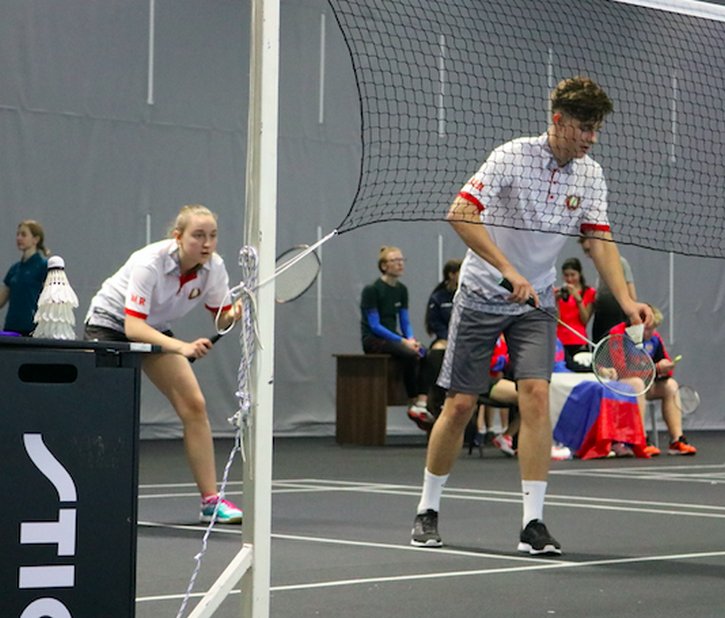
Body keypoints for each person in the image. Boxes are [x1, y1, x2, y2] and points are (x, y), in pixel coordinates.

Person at [410, 76, 653, 555]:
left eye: (596, 129)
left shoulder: (590, 175)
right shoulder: (511, 157)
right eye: (584, 127)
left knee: (536, 397)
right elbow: (460, 213)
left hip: (535, 302)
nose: (591, 138)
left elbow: (599, 239)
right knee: (460, 405)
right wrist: (507, 271)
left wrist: (627, 302)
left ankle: (533, 524)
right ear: (558, 120)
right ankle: (427, 509)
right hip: (482, 293)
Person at [84, 204, 243, 524]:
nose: (207, 243)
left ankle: (211, 502)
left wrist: (235, 312)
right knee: (105, 413)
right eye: (198, 235)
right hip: (108, 325)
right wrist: (182, 347)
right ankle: (90, 497)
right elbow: (133, 328)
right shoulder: (150, 263)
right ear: (178, 237)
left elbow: (221, 318)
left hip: (154, 328)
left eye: (213, 236)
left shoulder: (214, 267)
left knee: (194, 405)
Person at [609, 306, 697, 456]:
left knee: (670, 386)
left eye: (653, 328)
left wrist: (666, 367)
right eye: (647, 329)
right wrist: (655, 368)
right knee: (637, 383)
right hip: (618, 386)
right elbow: (622, 371)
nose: (651, 333)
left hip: (646, 384)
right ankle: (641, 440)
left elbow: (667, 368)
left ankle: (677, 440)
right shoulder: (618, 334)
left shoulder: (654, 338)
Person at [360, 246, 431, 430]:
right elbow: (375, 325)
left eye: (401, 260)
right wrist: (403, 342)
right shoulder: (372, 290)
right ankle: (412, 400)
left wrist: (411, 339)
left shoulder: (402, 290)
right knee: (409, 354)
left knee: (425, 353)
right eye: (395, 260)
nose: (400, 264)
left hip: (394, 338)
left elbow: (404, 320)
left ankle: (422, 403)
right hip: (374, 340)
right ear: (384, 266)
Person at [422, 259, 462, 418]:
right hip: (445, 337)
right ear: (452, 275)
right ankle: (435, 396)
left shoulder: (465, 294)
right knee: (437, 353)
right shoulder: (438, 297)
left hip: (464, 337)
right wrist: (448, 337)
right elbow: (434, 322)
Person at [579, 236, 637, 342]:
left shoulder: (620, 263)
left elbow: (632, 297)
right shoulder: (600, 268)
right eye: (585, 251)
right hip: (601, 323)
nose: (589, 255)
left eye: (590, 250)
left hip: (617, 321)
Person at [0, 220, 50, 336]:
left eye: (23, 235)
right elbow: (2, 298)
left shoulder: (43, 266)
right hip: (12, 327)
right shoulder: (14, 269)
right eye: (18, 235)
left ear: (35, 239)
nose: (19, 238)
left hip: (32, 328)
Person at [555, 257, 595, 357]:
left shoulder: (589, 292)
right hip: (560, 340)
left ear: (579, 274)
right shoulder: (558, 293)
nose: (569, 279)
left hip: (579, 340)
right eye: (566, 275)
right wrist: (556, 301)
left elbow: (585, 320)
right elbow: (557, 321)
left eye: (573, 275)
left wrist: (579, 300)